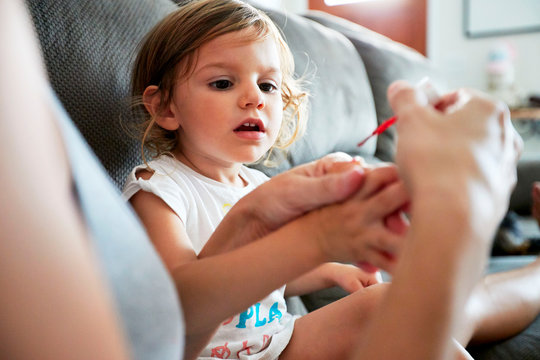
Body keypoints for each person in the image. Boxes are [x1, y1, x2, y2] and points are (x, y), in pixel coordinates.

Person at [0, 1, 530, 360]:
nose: (254, 97)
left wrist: (334, 270)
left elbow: (275, 274)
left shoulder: (256, 184)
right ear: (164, 107)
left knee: (379, 305)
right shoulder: (160, 189)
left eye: (269, 86)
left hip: (276, 342)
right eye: (224, 82)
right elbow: (177, 296)